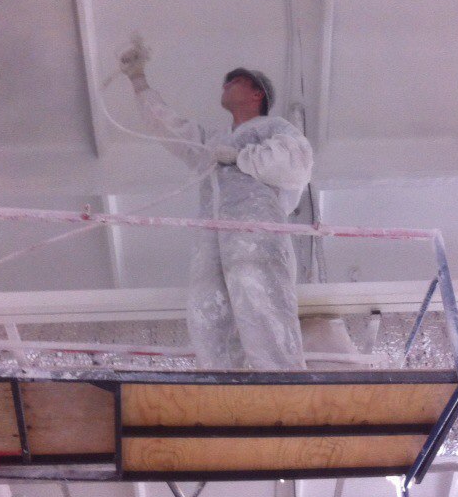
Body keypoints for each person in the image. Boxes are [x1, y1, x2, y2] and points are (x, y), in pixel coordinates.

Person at [119, 36, 313, 371]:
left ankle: (282, 380)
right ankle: (219, 381)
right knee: (208, 309)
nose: (226, 85)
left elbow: (296, 164)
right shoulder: (213, 142)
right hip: (212, 238)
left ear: (258, 94)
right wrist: (138, 80)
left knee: (261, 300)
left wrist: (240, 157)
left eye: (236, 81)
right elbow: (170, 127)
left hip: (256, 234)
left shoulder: (273, 127)